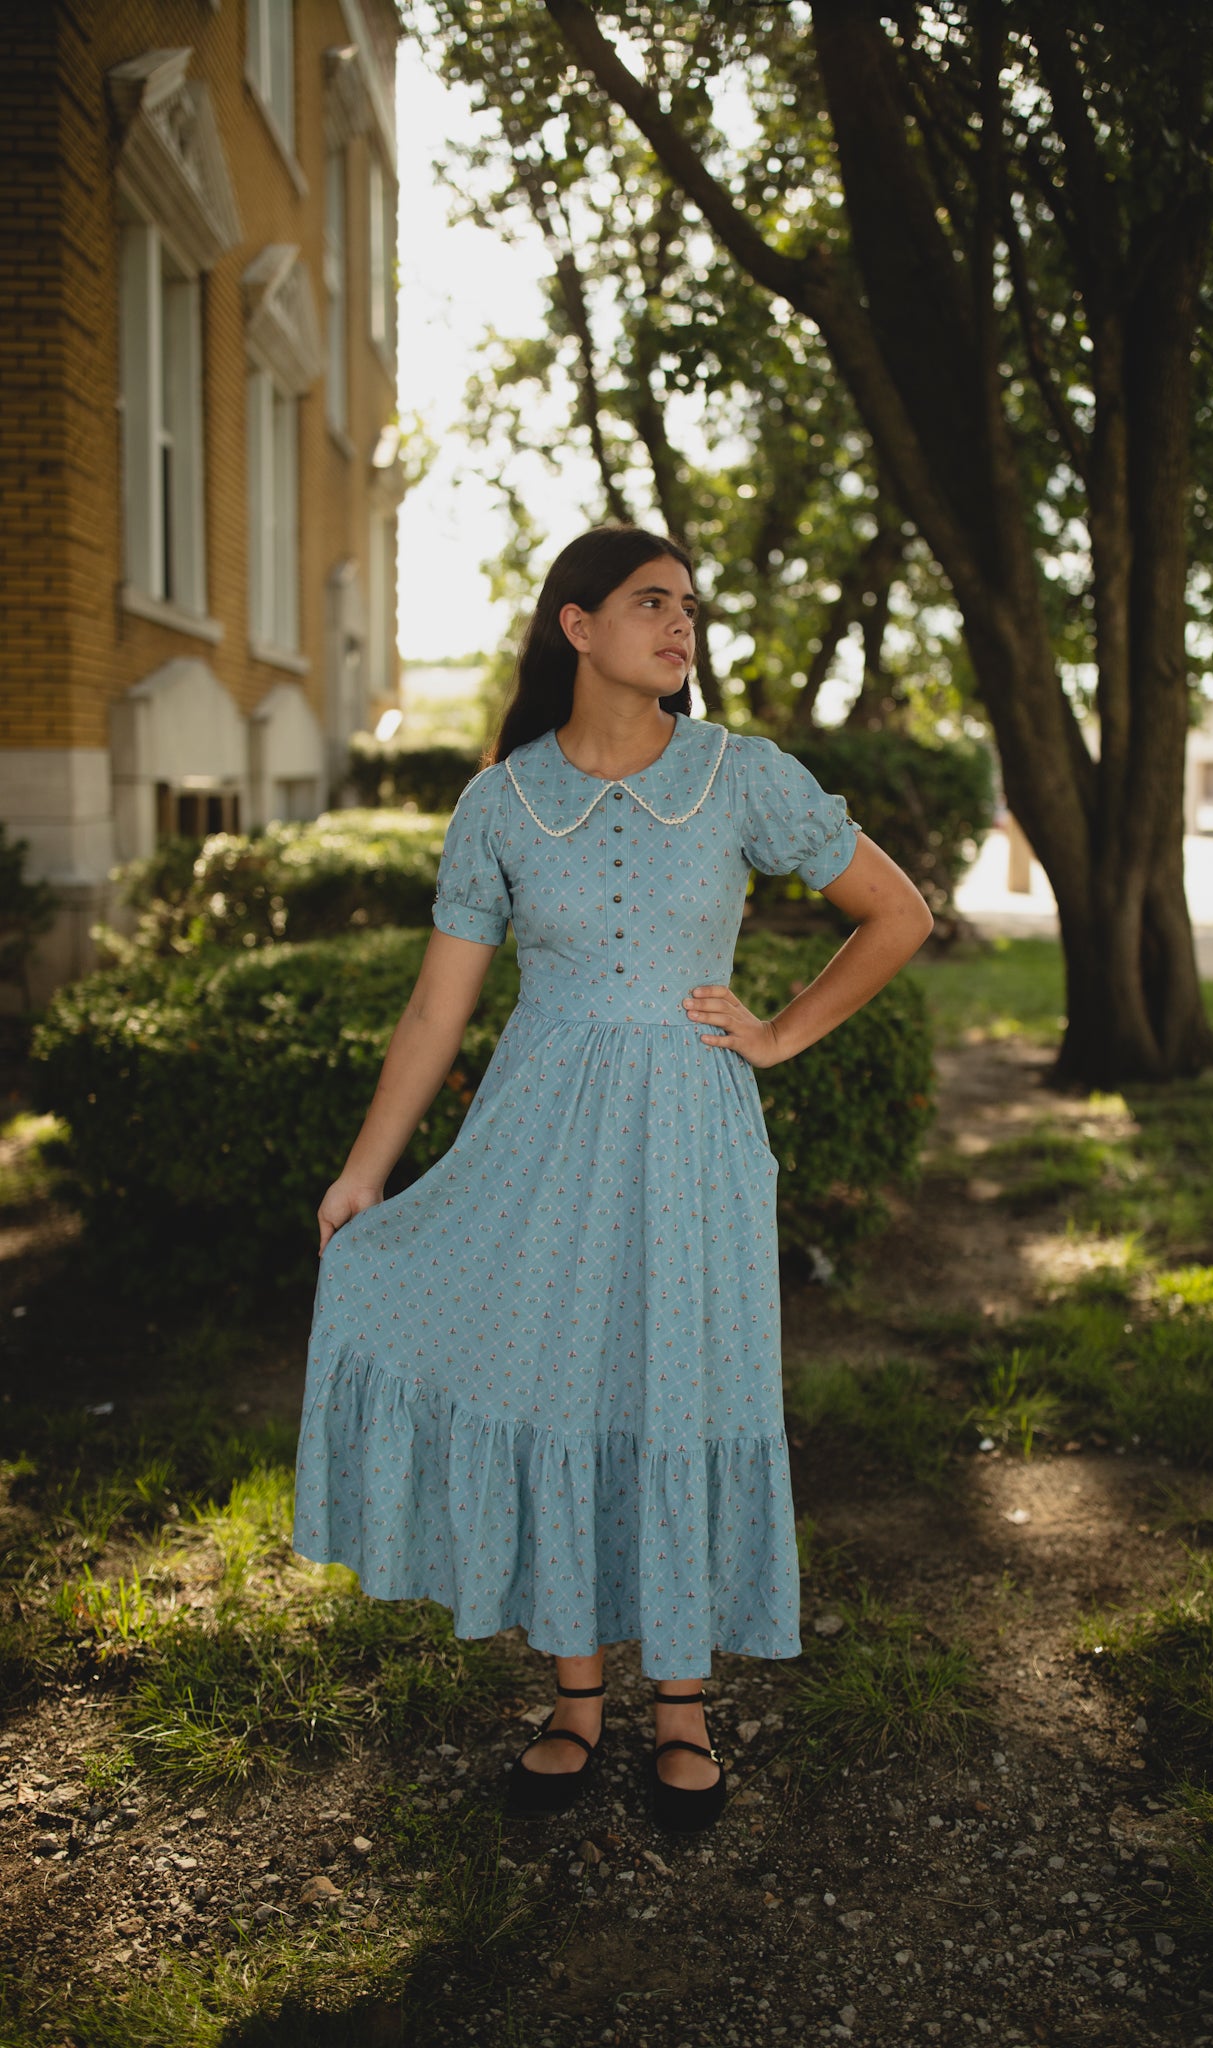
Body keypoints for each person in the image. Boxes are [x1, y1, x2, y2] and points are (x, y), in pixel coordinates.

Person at [293, 525, 933, 1833]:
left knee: (683, 1382)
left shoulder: (738, 775)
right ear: (575, 626)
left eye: (688, 606)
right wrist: (365, 1174)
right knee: (561, 1380)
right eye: (651, 603)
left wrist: (778, 1034)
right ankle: (577, 1694)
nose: (680, 625)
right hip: (538, 1136)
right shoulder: (501, 801)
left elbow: (898, 913)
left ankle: (684, 1705)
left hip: (691, 1134)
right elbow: (435, 1012)